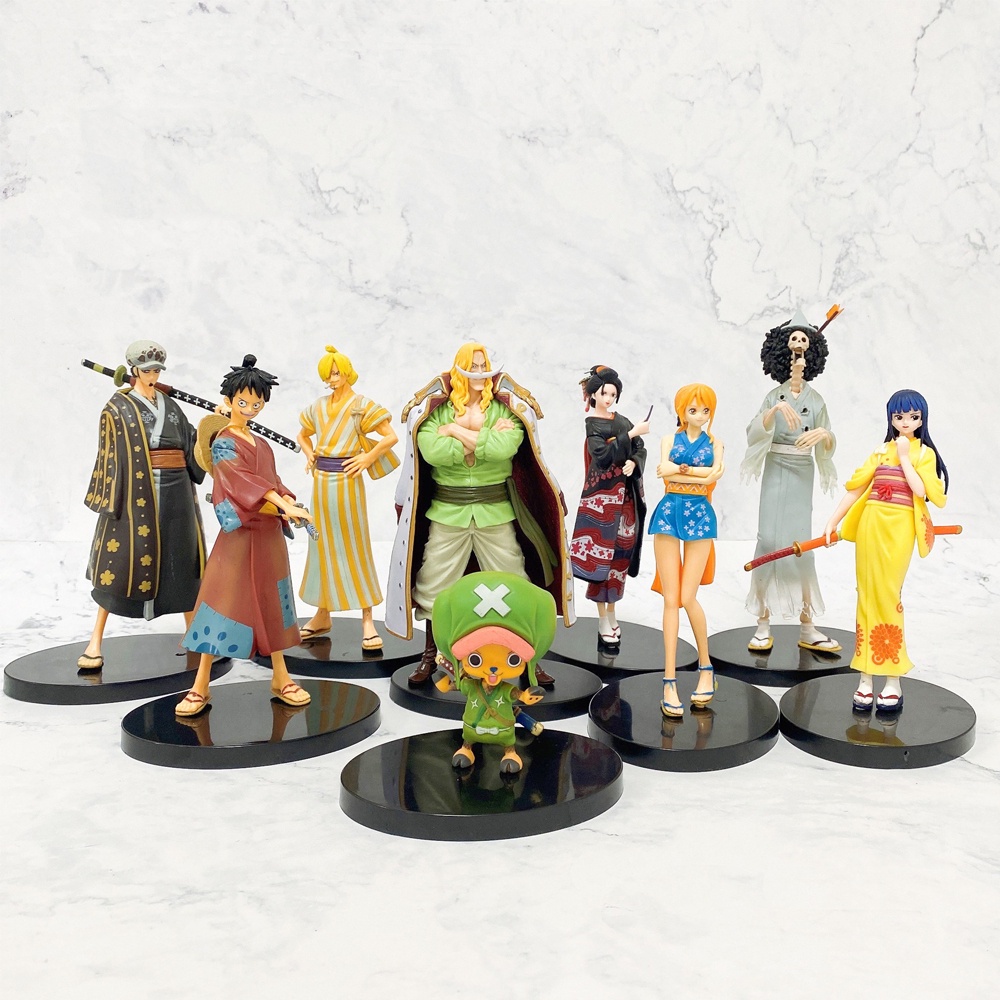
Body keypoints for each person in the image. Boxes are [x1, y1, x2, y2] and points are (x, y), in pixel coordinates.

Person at [384, 342, 575, 685]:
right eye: (471, 366)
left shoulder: (506, 409)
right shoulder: (435, 410)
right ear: (458, 368)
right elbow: (432, 451)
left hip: (495, 510)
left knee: (515, 582)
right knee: (433, 585)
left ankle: (527, 658)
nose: (478, 372)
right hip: (448, 511)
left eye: (482, 365)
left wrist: (455, 432)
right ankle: (431, 655)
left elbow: (505, 449)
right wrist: (479, 438)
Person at [176, 355, 313, 717]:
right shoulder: (223, 442)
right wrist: (278, 502)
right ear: (229, 400)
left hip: (268, 535)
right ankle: (200, 684)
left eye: (257, 404)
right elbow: (241, 482)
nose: (250, 409)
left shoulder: (262, 445)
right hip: (239, 534)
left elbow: (273, 481)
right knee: (221, 602)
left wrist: (289, 503)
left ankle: (281, 676)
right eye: (243, 402)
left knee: (273, 602)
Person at [79, 340, 205, 669]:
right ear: (134, 370)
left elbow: (192, 443)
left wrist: (213, 431)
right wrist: (115, 499)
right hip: (136, 493)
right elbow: (110, 455)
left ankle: (194, 634)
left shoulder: (170, 405)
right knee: (121, 564)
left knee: (184, 559)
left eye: (157, 370)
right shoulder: (117, 408)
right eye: (148, 370)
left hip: (178, 492)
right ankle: (95, 641)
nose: (153, 376)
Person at [823, 389, 948, 711]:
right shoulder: (880, 452)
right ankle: (865, 676)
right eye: (899, 416)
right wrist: (833, 521)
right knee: (865, 595)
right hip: (871, 525)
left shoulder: (924, 454)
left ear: (922, 419)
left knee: (889, 596)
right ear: (891, 419)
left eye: (913, 417)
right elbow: (856, 489)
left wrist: (905, 457)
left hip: (900, 528)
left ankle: (893, 678)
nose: (906, 422)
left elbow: (921, 491)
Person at [741, 309, 839, 652]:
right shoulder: (774, 396)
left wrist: (824, 435)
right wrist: (772, 413)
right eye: (793, 339)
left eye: (804, 339)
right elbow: (753, 431)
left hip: (802, 470)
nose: (798, 344)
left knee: (801, 544)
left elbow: (829, 439)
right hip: (775, 465)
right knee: (768, 539)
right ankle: (763, 620)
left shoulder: (816, 400)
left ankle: (807, 623)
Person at [296, 345, 398, 650]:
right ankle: (322, 613)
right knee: (320, 544)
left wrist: (367, 458)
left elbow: (391, 436)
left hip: (348, 482)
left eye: (336, 373)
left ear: (347, 372)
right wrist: (309, 452)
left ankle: (367, 619)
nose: (332, 379)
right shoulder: (318, 406)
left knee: (355, 545)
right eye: (328, 374)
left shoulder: (361, 405)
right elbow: (302, 433)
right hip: (321, 483)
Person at [649, 384, 725, 717]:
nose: (700, 416)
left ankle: (706, 667)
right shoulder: (668, 439)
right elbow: (662, 472)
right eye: (693, 410)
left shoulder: (716, 443)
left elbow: (711, 477)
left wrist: (681, 471)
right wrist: (696, 475)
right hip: (668, 514)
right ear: (682, 411)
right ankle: (669, 681)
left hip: (700, 517)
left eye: (705, 410)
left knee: (687, 597)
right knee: (670, 599)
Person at [570, 365, 648, 646]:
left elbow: (640, 448)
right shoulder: (593, 424)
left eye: (613, 394)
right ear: (593, 394)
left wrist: (634, 462)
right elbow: (602, 456)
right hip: (601, 502)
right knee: (601, 560)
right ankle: (602, 617)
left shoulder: (622, 420)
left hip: (624, 500)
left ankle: (613, 613)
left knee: (620, 558)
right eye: (605, 393)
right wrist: (631, 434)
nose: (609, 399)